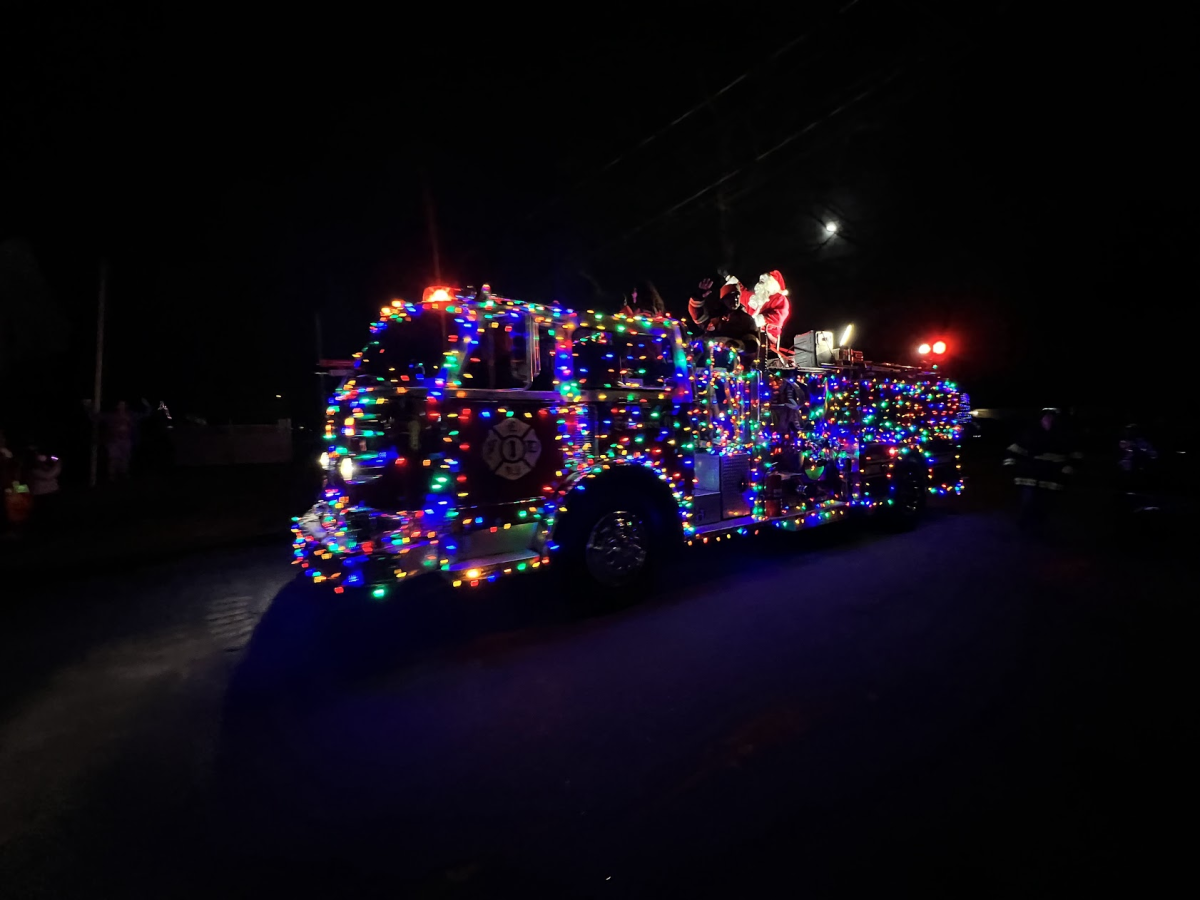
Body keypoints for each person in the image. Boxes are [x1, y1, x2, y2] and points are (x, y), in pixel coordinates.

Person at [1004, 408, 1079, 533]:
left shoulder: (1065, 435)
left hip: (1052, 475)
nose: (1048, 419)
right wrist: (1011, 465)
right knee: (1027, 501)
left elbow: (1076, 454)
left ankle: (1039, 526)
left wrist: (1069, 467)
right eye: (1046, 416)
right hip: (1031, 475)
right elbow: (1014, 449)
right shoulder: (1031, 433)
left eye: (1051, 416)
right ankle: (1024, 526)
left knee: (1046, 503)